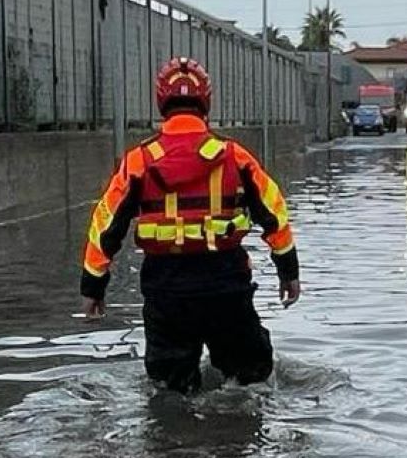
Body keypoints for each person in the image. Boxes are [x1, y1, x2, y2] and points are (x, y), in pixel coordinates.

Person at [79, 57, 301, 392]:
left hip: (166, 290)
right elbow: (275, 215)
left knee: (170, 391)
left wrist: (93, 287)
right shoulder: (235, 156)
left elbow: (106, 225)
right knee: (249, 381)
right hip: (225, 285)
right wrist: (289, 272)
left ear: (160, 100)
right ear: (206, 100)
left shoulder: (139, 161)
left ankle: (174, 440)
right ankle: (236, 440)